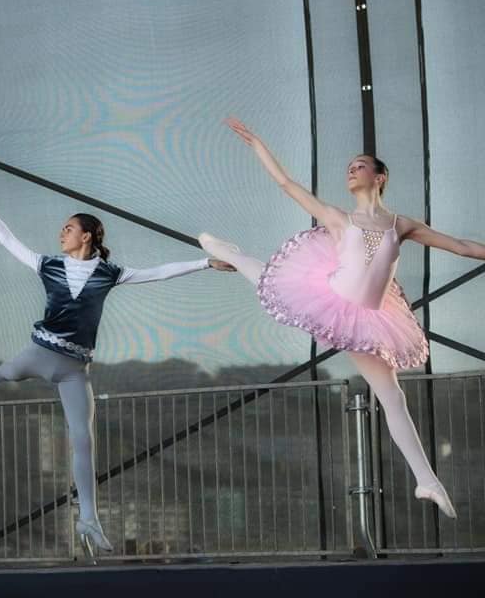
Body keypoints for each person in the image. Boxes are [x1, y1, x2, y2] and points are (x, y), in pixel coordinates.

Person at [199, 117, 485, 518]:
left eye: (360, 165)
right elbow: (286, 183)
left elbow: (461, 246)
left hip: (369, 316)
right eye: (349, 166)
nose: (352, 170)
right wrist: (257, 143)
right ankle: (227, 252)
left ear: (379, 177)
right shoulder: (338, 218)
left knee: (393, 396)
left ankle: (427, 482)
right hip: (333, 298)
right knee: (270, 279)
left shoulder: (402, 224)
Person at [0, 183, 234, 554]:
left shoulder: (110, 273)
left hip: (74, 369)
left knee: (83, 439)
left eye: (68, 228)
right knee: (4, 374)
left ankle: (88, 518)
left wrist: (205, 263)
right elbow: (10, 241)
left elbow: (158, 272)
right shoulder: (47, 264)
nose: (61, 233)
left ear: (86, 236)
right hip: (38, 354)